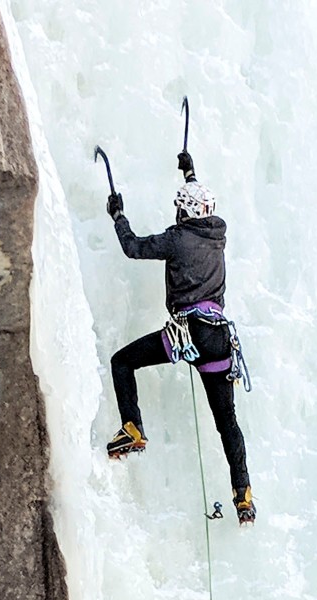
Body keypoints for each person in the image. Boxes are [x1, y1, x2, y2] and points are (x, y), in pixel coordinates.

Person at [104, 151, 255, 524]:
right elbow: (198, 205)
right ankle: (243, 496)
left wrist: (118, 216)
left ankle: (132, 428)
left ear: (184, 213)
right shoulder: (217, 235)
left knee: (123, 362)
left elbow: (133, 247)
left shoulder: (177, 239)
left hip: (189, 334)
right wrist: (190, 172)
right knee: (227, 421)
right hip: (219, 340)